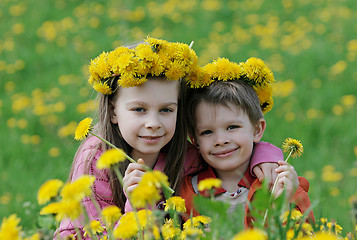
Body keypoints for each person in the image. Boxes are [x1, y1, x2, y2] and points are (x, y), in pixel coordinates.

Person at [55, 38, 282, 239]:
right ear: (114, 112)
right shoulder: (97, 158)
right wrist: (137, 207)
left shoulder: (184, 154)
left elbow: (227, 155)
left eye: (166, 110)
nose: (153, 123)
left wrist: (263, 156)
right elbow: (90, 234)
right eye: (139, 109)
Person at [180, 57, 315, 227]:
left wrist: (283, 205)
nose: (220, 141)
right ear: (195, 140)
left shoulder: (277, 183)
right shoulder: (188, 191)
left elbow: (307, 232)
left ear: (257, 130)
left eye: (232, 127)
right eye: (207, 132)